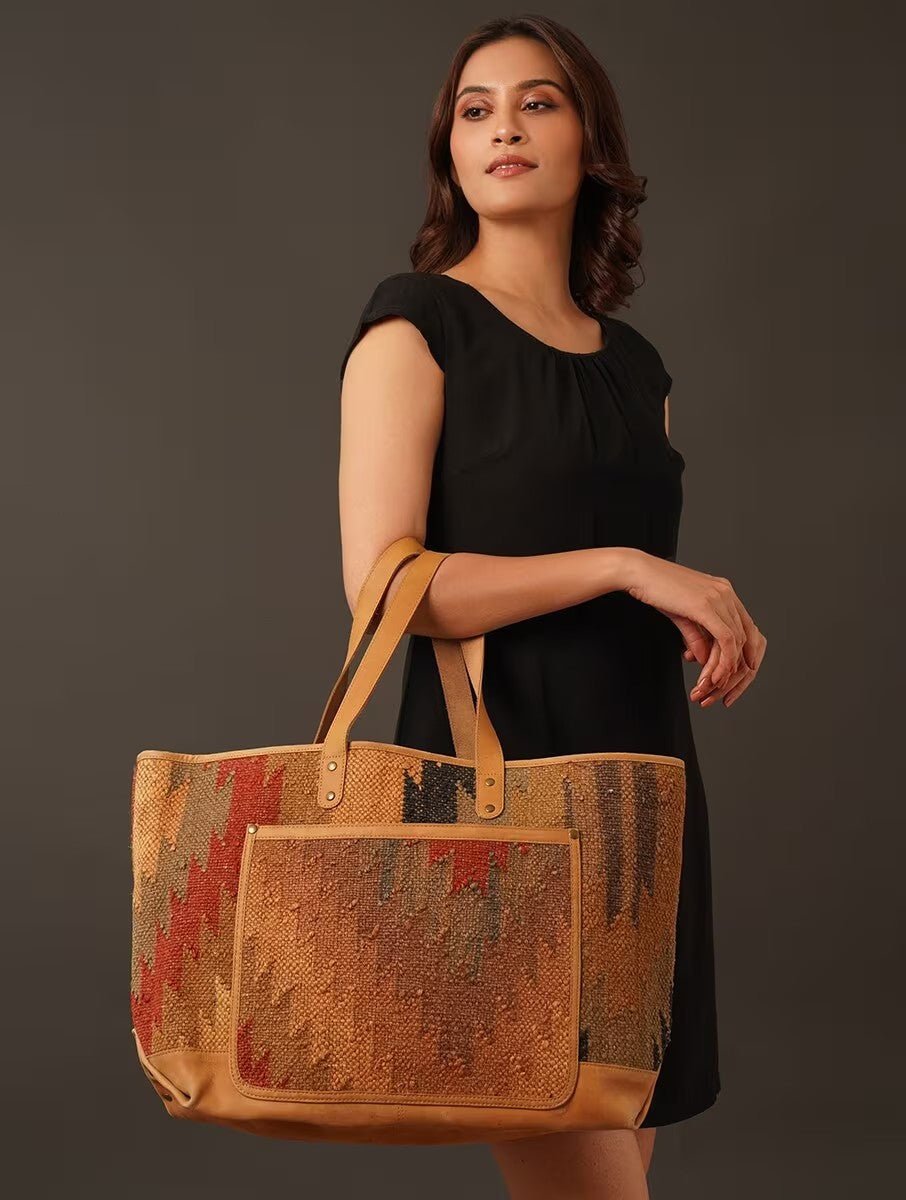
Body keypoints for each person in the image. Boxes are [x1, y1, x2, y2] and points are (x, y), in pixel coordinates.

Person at [337, 14, 766, 1199]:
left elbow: (632, 576)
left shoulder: (638, 369)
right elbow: (386, 588)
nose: (504, 128)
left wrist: (698, 605)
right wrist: (628, 565)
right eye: (475, 110)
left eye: (538, 102)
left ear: (592, 143)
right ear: (451, 152)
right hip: (496, 799)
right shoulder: (414, 326)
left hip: (639, 796)